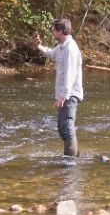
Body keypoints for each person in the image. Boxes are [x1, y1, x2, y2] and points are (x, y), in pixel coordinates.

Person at [34, 18, 84, 157]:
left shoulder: (70, 49)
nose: (53, 32)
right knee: (63, 128)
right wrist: (39, 46)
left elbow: (70, 75)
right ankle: (73, 158)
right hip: (65, 94)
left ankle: (71, 161)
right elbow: (51, 54)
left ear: (62, 31)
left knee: (66, 127)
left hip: (70, 94)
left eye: (54, 30)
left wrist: (63, 97)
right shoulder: (62, 46)